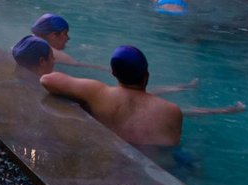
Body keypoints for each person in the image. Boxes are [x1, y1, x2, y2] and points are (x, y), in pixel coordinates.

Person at [42, 46, 186, 148]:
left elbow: (47, 80)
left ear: (113, 73)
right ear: (146, 75)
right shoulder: (172, 110)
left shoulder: (98, 94)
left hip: (108, 152)